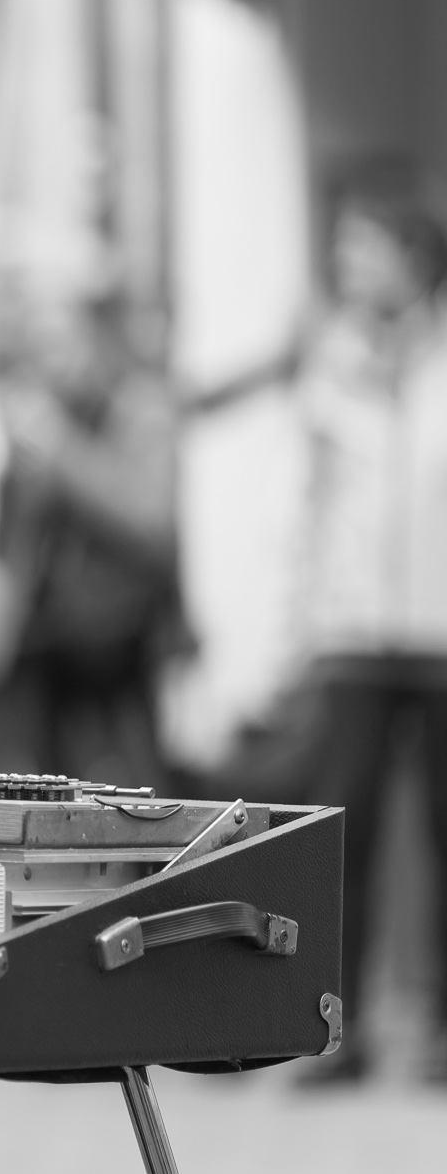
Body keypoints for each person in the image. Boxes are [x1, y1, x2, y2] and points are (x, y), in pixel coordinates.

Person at [265, 185, 447, 1083]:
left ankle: (445, 1031)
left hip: (442, 633)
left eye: (365, 247)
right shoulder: (331, 360)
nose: (348, 265)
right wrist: (292, 625)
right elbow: (311, 503)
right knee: (346, 837)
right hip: (352, 636)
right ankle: (343, 1031)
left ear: (412, 257)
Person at [0, 286, 180, 787]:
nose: (53, 363)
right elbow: (15, 546)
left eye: (62, 344)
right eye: (40, 349)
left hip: (126, 650)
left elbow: (150, 523)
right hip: (53, 651)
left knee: (143, 804)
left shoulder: (141, 408)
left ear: (96, 340)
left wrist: (64, 456)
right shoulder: (42, 419)